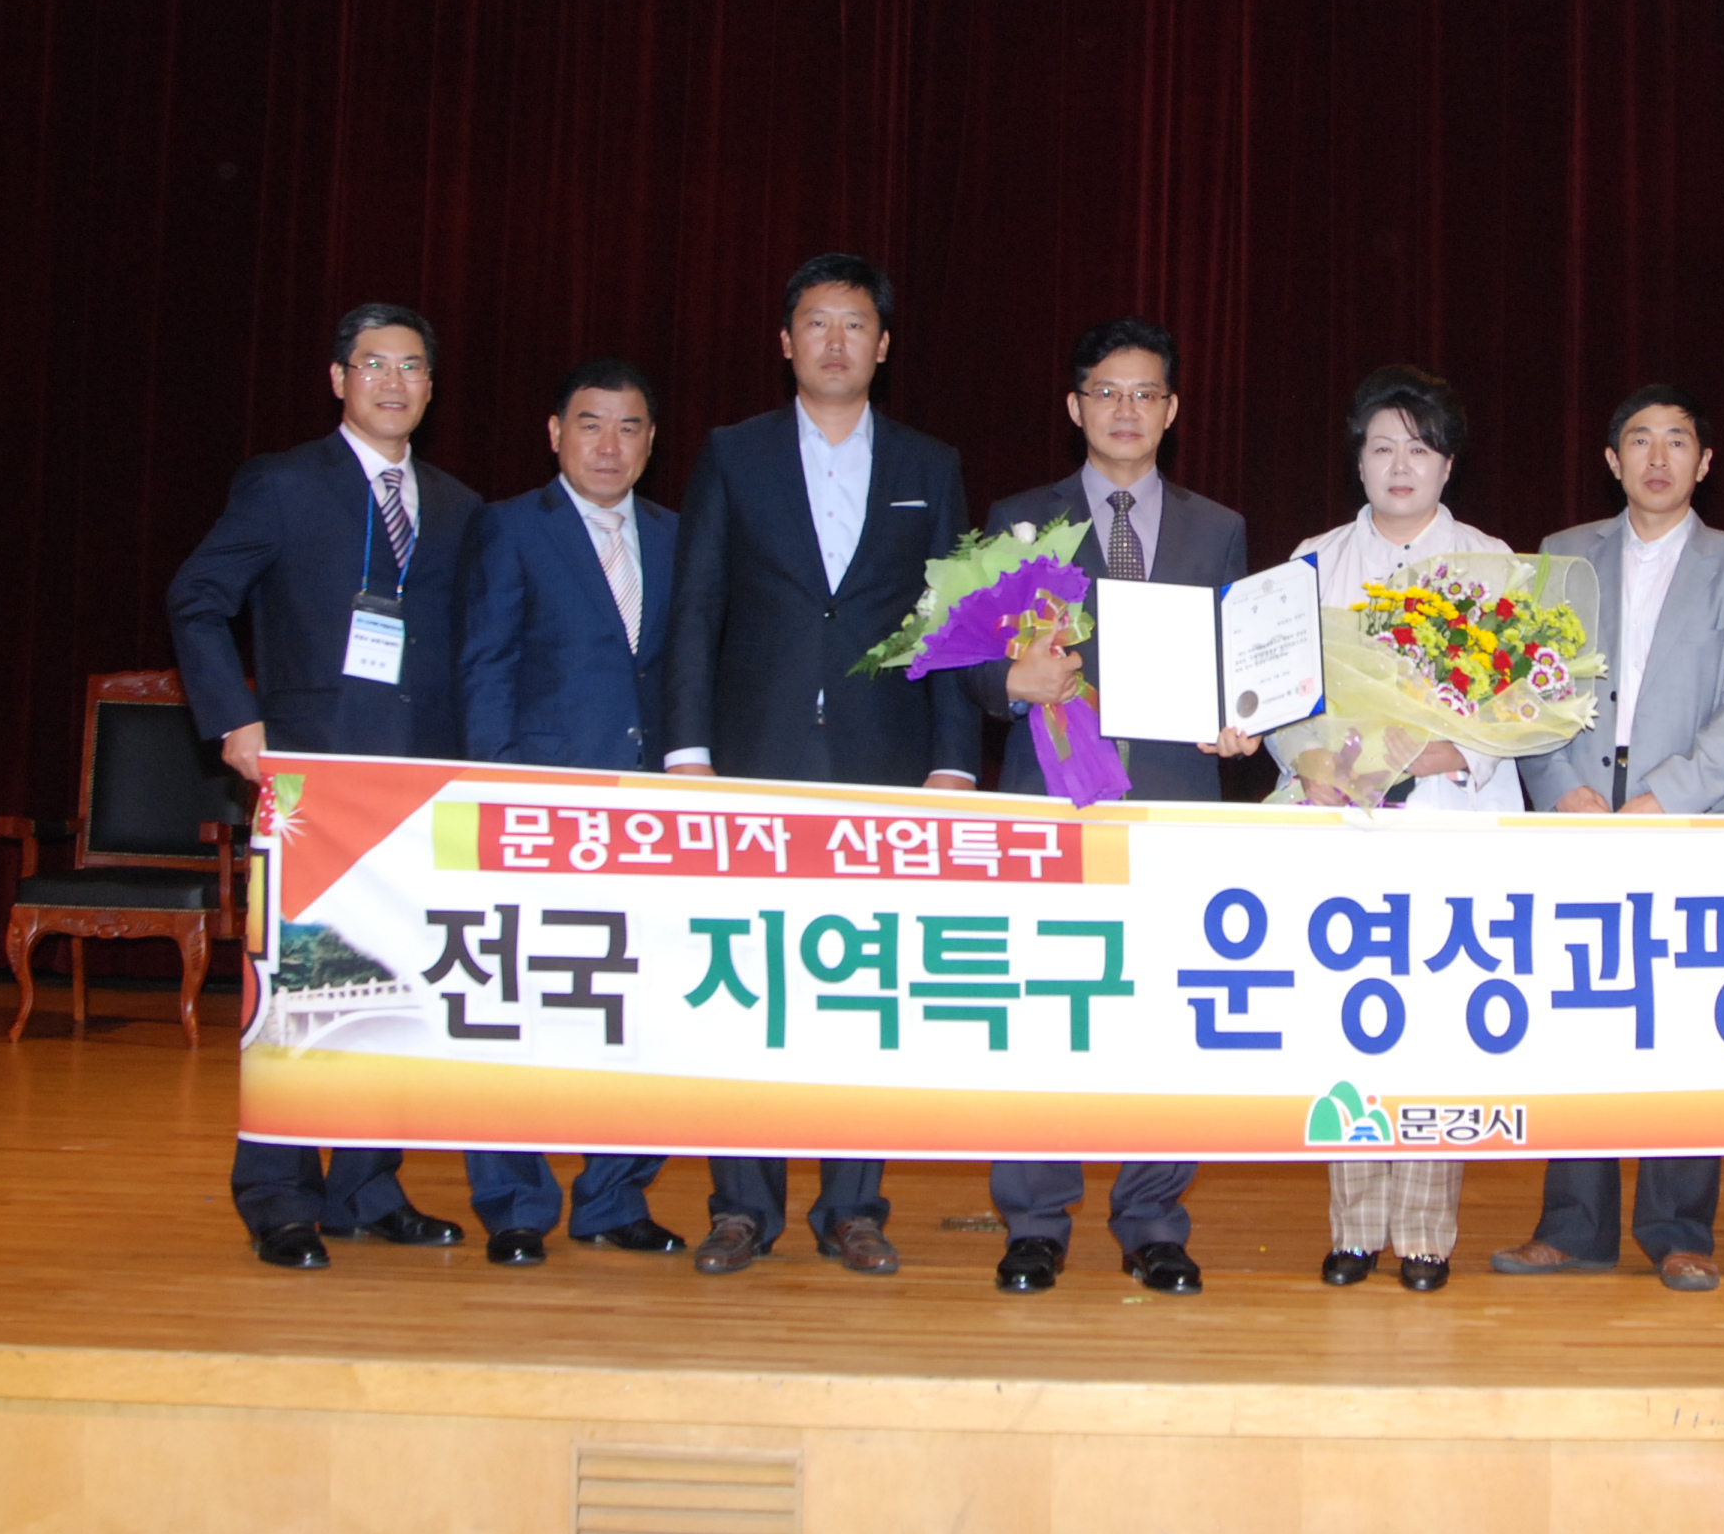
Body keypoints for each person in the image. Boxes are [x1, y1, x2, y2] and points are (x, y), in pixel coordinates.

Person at [663, 254, 981, 1279]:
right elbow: (696, 606)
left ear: (883, 346)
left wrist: (953, 762)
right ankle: (740, 1207)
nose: (835, 341)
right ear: (785, 341)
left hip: (883, 761)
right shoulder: (733, 453)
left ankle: (853, 1206)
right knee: (743, 981)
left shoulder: (929, 463)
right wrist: (687, 749)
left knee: (867, 985)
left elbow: (952, 622)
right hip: (752, 757)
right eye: (816, 322)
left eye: (854, 325)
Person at [166, 302, 482, 1270]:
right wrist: (234, 719)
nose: (393, 382)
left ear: (431, 387)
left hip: (420, 790)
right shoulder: (284, 483)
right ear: (338, 379)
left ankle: (366, 1188)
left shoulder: (459, 506)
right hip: (312, 786)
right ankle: (279, 1196)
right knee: (301, 995)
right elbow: (197, 598)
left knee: (398, 991)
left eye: (411, 367)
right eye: (373, 364)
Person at [963, 317, 1253, 1297]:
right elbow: (967, 666)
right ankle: (1034, 1222)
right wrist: (1012, 682)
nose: (1125, 410)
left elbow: (1240, 667)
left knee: (1169, 1016)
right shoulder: (1018, 520)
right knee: (1041, 1009)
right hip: (1050, 800)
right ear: (1075, 405)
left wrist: (1243, 720)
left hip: (1174, 803)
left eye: (1145, 394)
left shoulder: (1218, 528)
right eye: (1106, 392)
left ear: (1171, 411)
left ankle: (1153, 1220)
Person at [1489, 385, 1724, 1294]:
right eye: (1640, 442)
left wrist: (1668, 798)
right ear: (1613, 461)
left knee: (1685, 1029)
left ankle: (1679, 1230)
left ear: (1705, 461)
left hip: (1687, 820)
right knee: (1578, 1018)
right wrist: (1559, 787)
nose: (1659, 458)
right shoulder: (1561, 555)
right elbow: (1522, 687)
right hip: (1578, 815)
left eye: (1678, 441)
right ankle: (1573, 1228)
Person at [1284, 367, 1524, 1295]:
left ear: (1448, 464)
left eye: (1418, 449)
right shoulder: (1313, 561)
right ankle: (1353, 1229)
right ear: (1358, 459)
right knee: (1350, 1018)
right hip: (1341, 820)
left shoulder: (1493, 563)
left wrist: (1440, 753)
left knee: (1433, 1023)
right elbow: (1279, 695)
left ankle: (1425, 1234)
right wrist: (1311, 762)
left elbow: (1518, 705)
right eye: (1382, 446)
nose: (1399, 465)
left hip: (1447, 821)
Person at [451, 357, 685, 1267]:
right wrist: (498, 791)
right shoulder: (510, 527)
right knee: (515, 1008)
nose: (609, 445)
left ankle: (614, 1197)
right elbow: (486, 664)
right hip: (537, 806)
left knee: (643, 1007)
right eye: (590, 424)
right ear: (555, 434)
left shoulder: (675, 534)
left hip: (651, 812)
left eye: (629, 427)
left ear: (651, 441)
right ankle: (514, 1203)